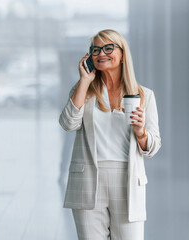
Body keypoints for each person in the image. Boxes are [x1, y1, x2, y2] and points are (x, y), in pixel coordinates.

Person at [59, 29, 162, 240]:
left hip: (128, 179)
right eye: (95, 49)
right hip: (88, 179)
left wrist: (140, 132)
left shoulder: (145, 95)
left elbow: (153, 146)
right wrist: (85, 81)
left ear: (122, 54)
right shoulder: (82, 90)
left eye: (108, 48)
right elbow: (68, 124)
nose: (101, 53)